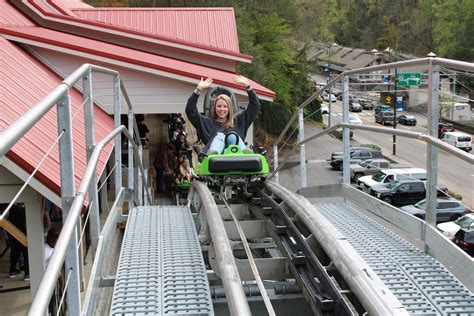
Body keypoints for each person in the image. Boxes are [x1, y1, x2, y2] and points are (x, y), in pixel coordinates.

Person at [185, 75, 260, 154]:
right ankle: (213, 152)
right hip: (216, 163)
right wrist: (198, 89)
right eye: (219, 106)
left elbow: (255, 106)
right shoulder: (205, 123)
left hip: (238, 160)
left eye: (225, 106)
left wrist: (248, 86)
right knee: (220, 136)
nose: (222, 109)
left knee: (233, 135)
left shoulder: (239, 121)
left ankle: (244, 153)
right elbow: (190, 110)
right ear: (214, 108)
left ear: (229, 108)